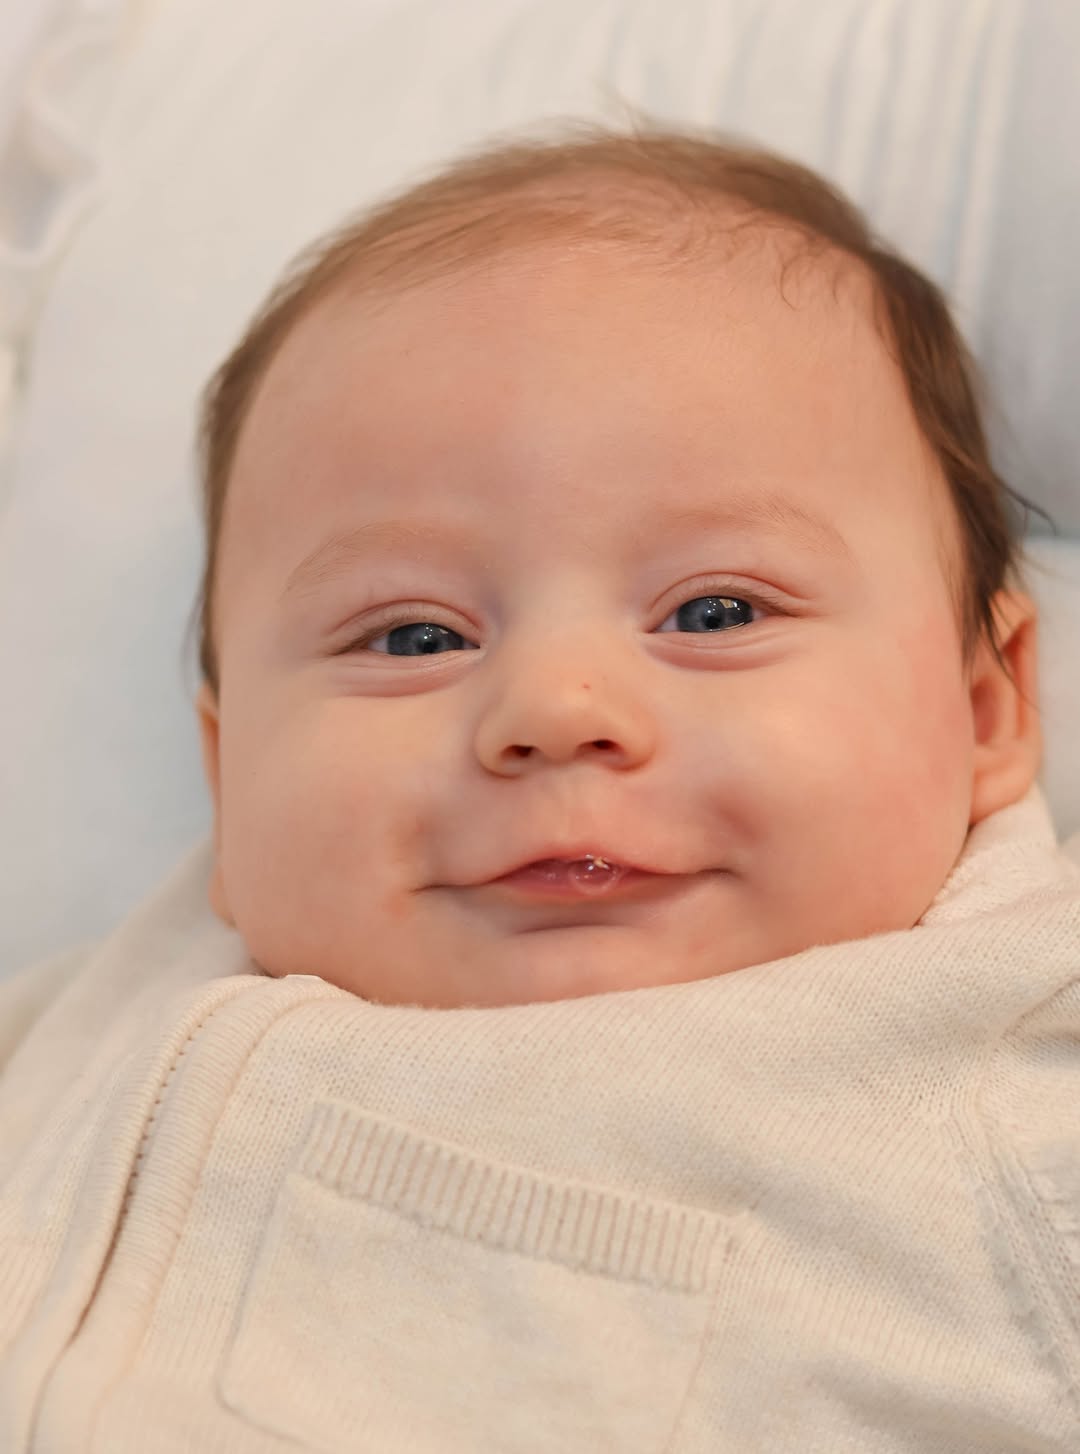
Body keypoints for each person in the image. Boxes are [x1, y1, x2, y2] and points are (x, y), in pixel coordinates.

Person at [1, 124, 1078, 1451]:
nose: (556, 713)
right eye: (414, 637)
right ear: (228, 776)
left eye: (715, 607)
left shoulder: (1016, 1085)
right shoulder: (94, 1004)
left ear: (986, 707)